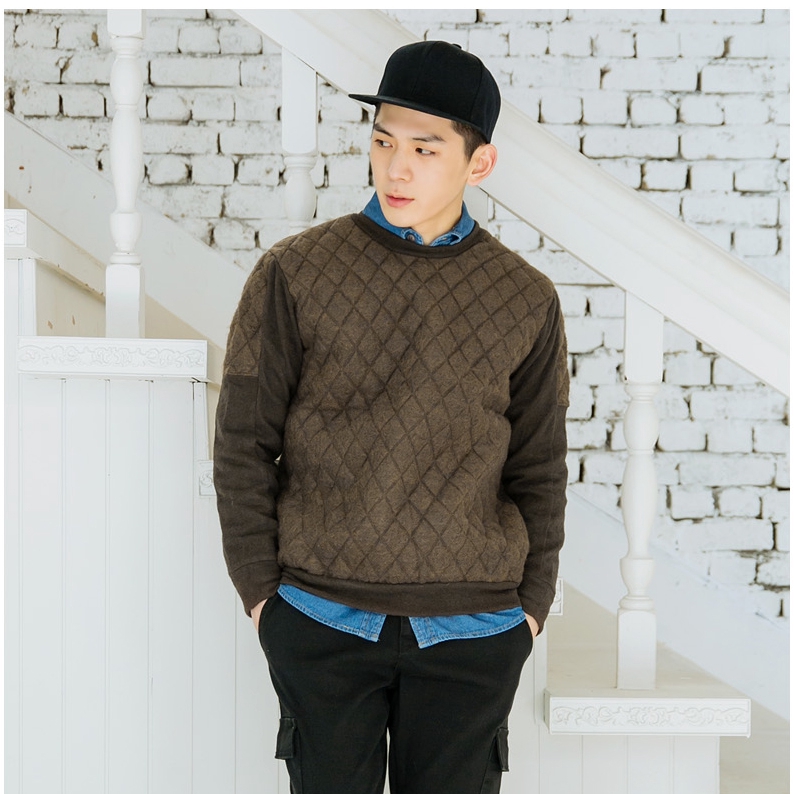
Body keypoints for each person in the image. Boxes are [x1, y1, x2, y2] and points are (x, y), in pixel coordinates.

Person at [214, 39, 569, 794]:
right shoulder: (294, 273)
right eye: (383, 142)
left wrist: (531, 608)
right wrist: (262, 597)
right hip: (320, 618)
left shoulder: (526, 297)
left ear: (479, 163)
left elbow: (539, 466)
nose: (395, 168)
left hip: (475, 628)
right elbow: (243, 443)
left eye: (424, 149)